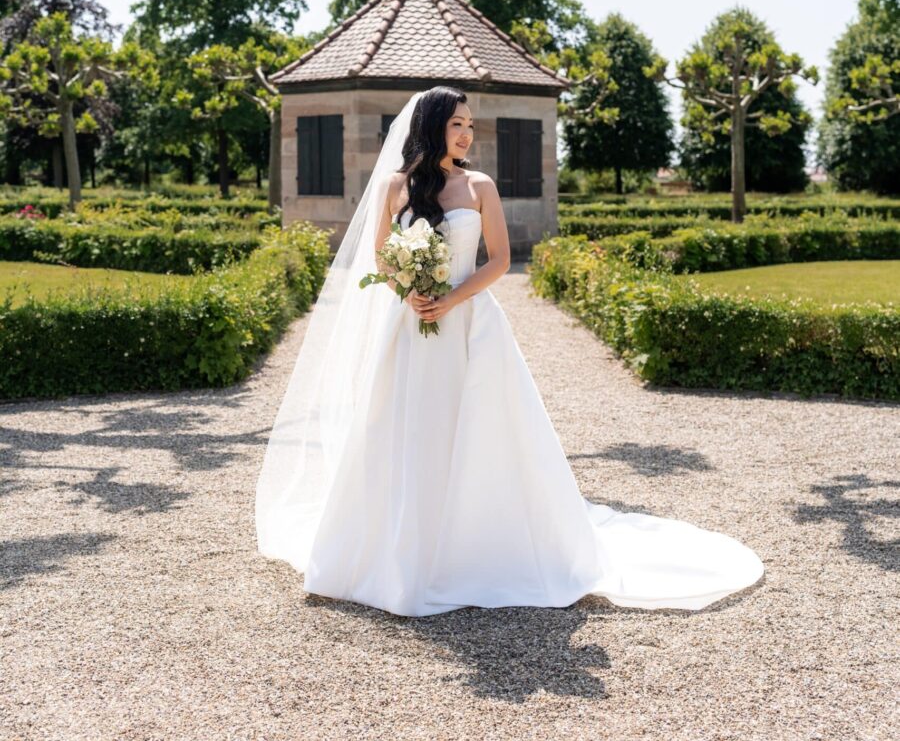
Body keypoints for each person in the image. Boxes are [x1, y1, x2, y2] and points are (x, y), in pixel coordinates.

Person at [255, 86, 764, 617]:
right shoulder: (393, 186)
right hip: (410, 326)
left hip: (470, 324)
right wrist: (408, 292)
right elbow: (380, 256)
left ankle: (472, 543)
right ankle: (400, 545)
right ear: (430, 127)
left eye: (470, 126)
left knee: (475, 426)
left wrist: (450, 298)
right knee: (405, 424)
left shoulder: (480, 186)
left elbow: (498, 261)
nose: (466, 134)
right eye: (457, 124)